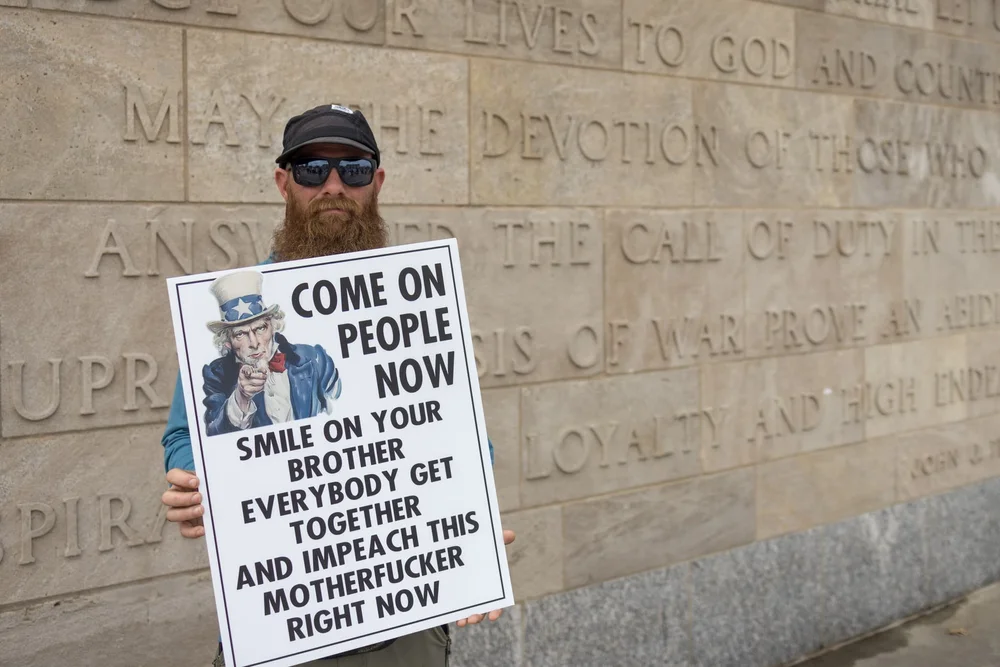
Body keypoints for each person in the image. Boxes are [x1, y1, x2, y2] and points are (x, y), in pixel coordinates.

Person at [159, 103, 514, 667]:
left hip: (406, 615)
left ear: (375, 183)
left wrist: (468, 526)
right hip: (283, 612)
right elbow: (185, 435)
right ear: (283, 183)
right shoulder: (230, 324)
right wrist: (197, 484)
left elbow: (455, 432)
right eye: (311, 170)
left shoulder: (414, 304)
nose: (332, 186)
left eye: (351, 170)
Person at [202, 269, 342, 435]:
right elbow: (215, 437)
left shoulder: (314, 358)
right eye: (240, 334)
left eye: (260, 328)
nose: (254, 343)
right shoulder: (217, 375)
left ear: (274, 325)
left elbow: (345, 410)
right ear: (227, 342)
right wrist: (241, 397)